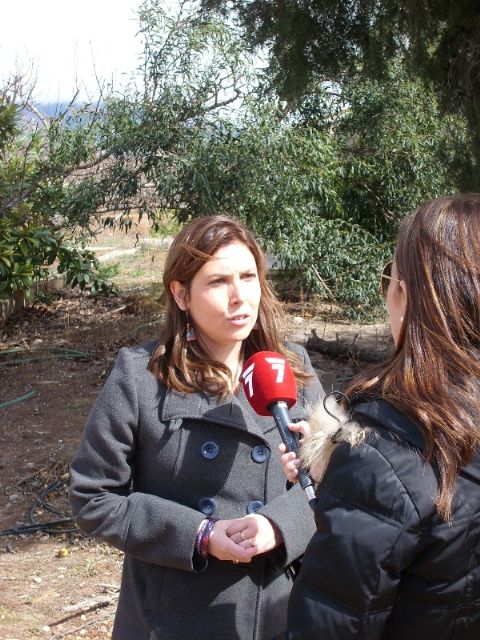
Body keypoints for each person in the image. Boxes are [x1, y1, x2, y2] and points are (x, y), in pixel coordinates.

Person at [69, 215, 324, 640]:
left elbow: (331, 486)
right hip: (171, 616)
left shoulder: (293, 369)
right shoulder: (139, 377)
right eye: (217, 282)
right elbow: (92, 497)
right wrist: (200, 535)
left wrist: (278, 525)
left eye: (248, 276)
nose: (239, 297)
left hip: (279, 610)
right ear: (181, 293)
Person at [280, 194, 480, 639]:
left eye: (390, 277)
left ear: (405, 296)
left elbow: (333, 623)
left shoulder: (382, 459)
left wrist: (348, 483)